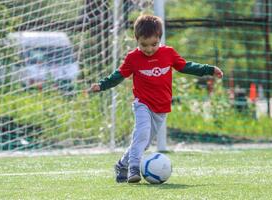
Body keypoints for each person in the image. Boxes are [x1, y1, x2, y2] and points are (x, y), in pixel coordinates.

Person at [89, 14, 223, 183]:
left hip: (161, 108)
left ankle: (121, 164)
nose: (149, 49)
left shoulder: (168, 53)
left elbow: (186, 66)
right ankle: (134, 168)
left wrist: (209, 69)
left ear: (160, 38)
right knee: (141, 133)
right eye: (144, 45)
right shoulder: (133, 58)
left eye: (154, 44)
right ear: (136, 40)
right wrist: (102, 85)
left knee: (143, 143)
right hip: (142, 104)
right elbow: (118, 75)